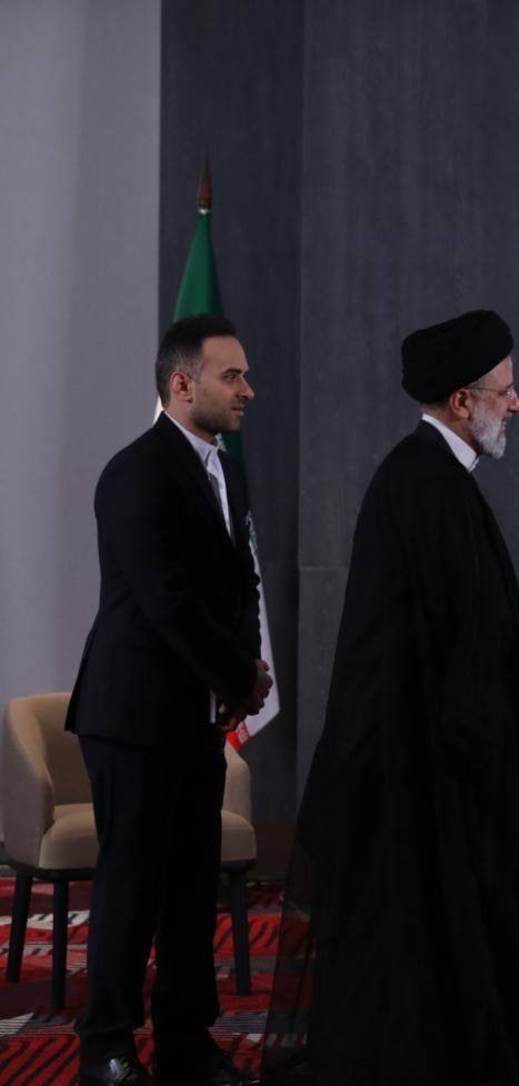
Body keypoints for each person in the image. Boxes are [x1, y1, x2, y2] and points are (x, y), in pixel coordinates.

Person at [263, 309, 519, 1085]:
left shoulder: (430, 477)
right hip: (410, 769)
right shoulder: (427, 482)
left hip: (417, 757)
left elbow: (477, 607)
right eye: (505, 391)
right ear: (462, 401)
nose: (517, 404)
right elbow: (478, 618)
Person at [67, 314, 272, 1086]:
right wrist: (239, 677)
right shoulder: (136, 472)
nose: (248, 389)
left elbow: (241, 582)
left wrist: (242, 673)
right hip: (132, 717)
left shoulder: (227, 471)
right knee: (132, 887)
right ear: (183, 385)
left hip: (196, 715)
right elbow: (166, 602)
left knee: (191, 888)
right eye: (232, 376)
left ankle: (186, 1040)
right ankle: (106, 1047)